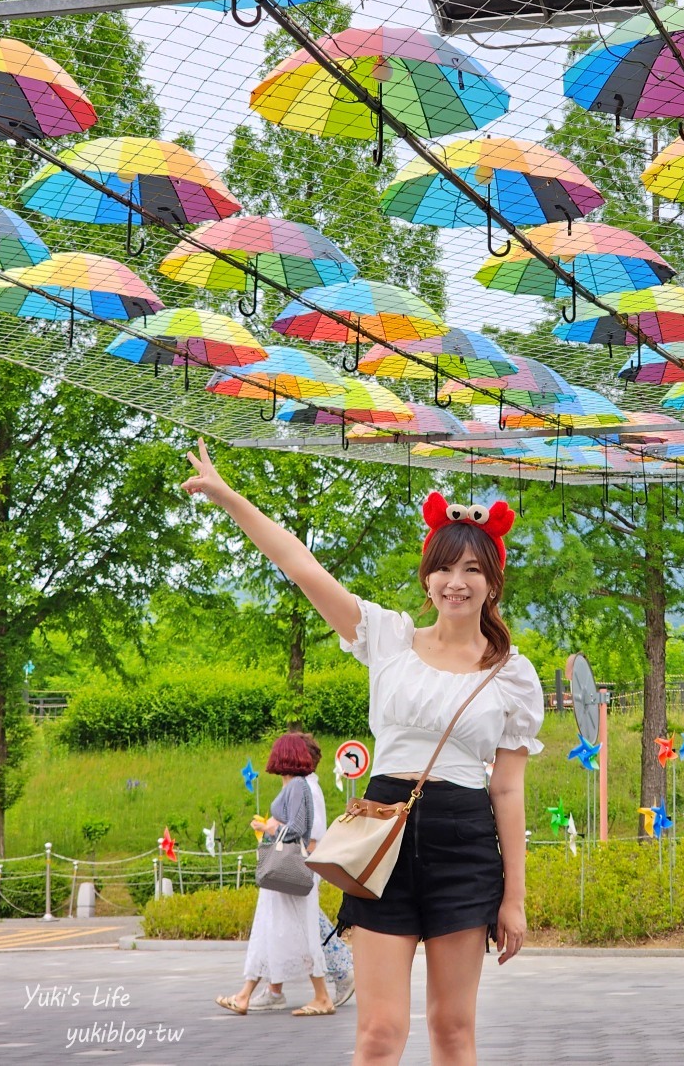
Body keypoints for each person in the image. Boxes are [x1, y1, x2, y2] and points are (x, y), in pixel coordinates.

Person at [182, 440, 544, 1066]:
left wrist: (514, 897)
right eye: (443, 569)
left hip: (465, 843)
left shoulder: (513, 675)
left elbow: (507, 791)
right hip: (382, 835)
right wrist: (225, 495)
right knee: (378, 1033)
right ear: (427, 578)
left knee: (454, 1029)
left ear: (493, 582)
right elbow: (301, 566)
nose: (456, 583)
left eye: (472, 571)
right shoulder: (388, 638)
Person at [215, 731, 335, 1017]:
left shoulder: (297, 787)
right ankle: (245, 995)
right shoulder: (297, 785)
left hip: (289, 866)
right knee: (269, 929)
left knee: (297, 931)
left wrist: (269, 829)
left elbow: (298, 828)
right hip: (287, 867)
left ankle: (321, 997)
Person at [247, 731, 355, 1011]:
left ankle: (341, 972)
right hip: (301, 859)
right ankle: (274, 988)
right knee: (289, 924)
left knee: (304, 925)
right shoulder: (301, 785)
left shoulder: (306, 788)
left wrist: (273, 830)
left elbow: (310, 832)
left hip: (301, 860)